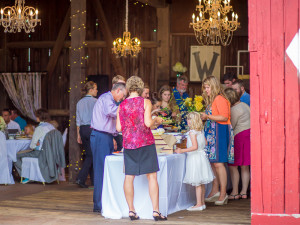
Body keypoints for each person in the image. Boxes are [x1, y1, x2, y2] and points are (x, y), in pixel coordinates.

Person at [116, 76, 167, 221]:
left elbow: (118, 127)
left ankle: (131, 210)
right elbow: (148, 122)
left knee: (128, 177)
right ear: (140, 87)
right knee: (152, 177)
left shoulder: (121, 105)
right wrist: (156, 119)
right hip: (145, 142)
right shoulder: (145, 102)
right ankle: (156, 211)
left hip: (129, 144)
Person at [90, 82, 127, 213]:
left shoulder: (109, 99)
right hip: (101, 137)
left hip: (105, 136)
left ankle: (103, 201)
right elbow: (111, 112)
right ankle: (99, 204)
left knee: (105, 169)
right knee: (101, 169)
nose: (123, 98)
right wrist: (127, 109)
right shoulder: (107, 98)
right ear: (118, 90)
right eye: (123, 95)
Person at [200, 76, 234, 206]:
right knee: (213, 163)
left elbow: (224, 117)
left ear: (213, 86)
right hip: (213, 131)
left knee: (219, 164)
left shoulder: (220, 98)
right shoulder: (213, 99)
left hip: (220, 130)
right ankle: (215, 191)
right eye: (205, 87)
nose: (206, 90)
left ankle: (223, 193)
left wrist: (207, 116)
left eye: (208, 87)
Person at [175, 112, 215, 211]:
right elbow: (205, 143)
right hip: (202, 157)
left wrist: (182, 150)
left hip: (195, 158)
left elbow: (194, 147)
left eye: (190, 119)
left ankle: (198, 204)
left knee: (197, 182)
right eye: (187, 119)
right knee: (201, 182)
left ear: (194, 121)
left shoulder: (192, 132)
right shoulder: (200, 131)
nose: (187, 121)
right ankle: (202, 203)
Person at [14, 108, 55, 184]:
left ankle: (28, 176)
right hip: (51, 153)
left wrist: (36, 143)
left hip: (40, 153)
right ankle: (31, 174)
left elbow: (32, 146)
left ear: (39, 117)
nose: (36, 117)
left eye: (36, 116)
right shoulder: (51, 127)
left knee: (15, 156)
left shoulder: (39, 128)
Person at [224, 88, 250, 200]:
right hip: (248, 136)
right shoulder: (245, 105)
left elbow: (231, 127)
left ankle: (234, 192)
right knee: (245, 167)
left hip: (239, 137)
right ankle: (244, 192)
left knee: (233, 166)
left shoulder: (234, 109)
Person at [75, 81, 98, 188]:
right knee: (91, 155)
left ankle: (93, 181)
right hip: (92, 129)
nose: (97, 91)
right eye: (96, 88)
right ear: (91, 90)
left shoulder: (79, 103)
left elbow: (78, 121)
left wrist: (78, 135)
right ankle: (81, 178)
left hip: (83, 130)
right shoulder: (96, 102)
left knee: (90, 154)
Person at [112, 75, 126, 152]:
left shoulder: (123, 99)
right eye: (121, 85)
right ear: (114, 86)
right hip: (114, 133)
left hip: (122, 133)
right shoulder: (110, 99)